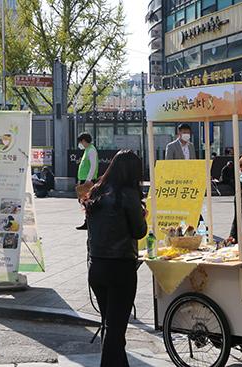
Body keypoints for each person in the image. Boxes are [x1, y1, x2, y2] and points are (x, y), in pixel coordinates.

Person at [85, 150, 148, 367]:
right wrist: (143, 216)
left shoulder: (96, 191)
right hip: (120, 268)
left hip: (97, 267)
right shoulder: (128, 194)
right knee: (115, 329)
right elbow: (139, 232)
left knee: (111, 326)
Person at [76, 132, 99, 230]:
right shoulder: (87, 150)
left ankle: (88, 222)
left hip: (88, 181)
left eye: (81, 142)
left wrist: (88, 180)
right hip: (84, 180)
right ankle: (87, 221)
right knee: (84, 201)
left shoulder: (91, 150)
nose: (80, 144)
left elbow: (93, 166)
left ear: (84, 141)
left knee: (87, 202)